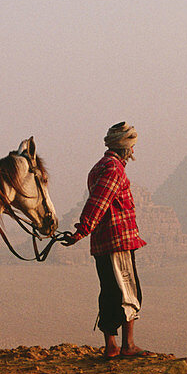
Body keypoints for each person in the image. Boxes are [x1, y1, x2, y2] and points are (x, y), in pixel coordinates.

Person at [61, 122, 150, 358]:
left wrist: (83, 231)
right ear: (126, 148)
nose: (133, 152)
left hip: (104, 242)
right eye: (132, 147)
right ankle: (127, 346)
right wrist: (81, 230)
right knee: (128, 292)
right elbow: (98, 203)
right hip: (117, 241)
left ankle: (111, 345)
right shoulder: (113, 169)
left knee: (110, 292)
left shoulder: (101, 166)